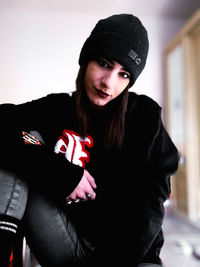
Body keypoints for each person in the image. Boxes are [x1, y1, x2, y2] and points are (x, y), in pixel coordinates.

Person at [0, 14, 179, 267]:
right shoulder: (57, 108)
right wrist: (59, 172)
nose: (109, 83)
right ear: (86, 59)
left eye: (124, 74)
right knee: (22, 143)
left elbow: (149, 208)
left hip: (128, 256)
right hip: (64, 239)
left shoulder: (143, 117)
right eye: (104, 63)